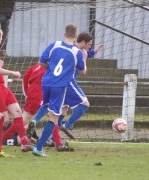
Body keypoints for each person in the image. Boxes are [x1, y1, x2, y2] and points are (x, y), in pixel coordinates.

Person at [27, 32, 93, 140]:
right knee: (85, 104)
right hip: (67, 82)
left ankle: (50, 136)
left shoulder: (63, 47)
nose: (90, 46)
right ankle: (66, 125)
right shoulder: (78, 52)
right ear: (84, 42)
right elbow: (83, 71)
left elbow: (45, 61)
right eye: (89, 44)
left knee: (61, 109)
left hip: (53, 81)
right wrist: (85, 59)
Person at [32, 24, 85, 157]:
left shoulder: (54, 45)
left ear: (64, 33)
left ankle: (34, 120)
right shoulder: (76, 52)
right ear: (76, 36)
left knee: (45, 104)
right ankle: (38, 149)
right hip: (59, 86)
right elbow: (82, 70)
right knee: (54, 117)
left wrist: (51, 69)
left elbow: (41, 62)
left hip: (46, 81)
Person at [0, 27, 32, 153]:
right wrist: (12, 72)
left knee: (17, 112)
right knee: (3, 119)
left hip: (1, 87)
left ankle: (25, 142)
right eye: (1, 39)